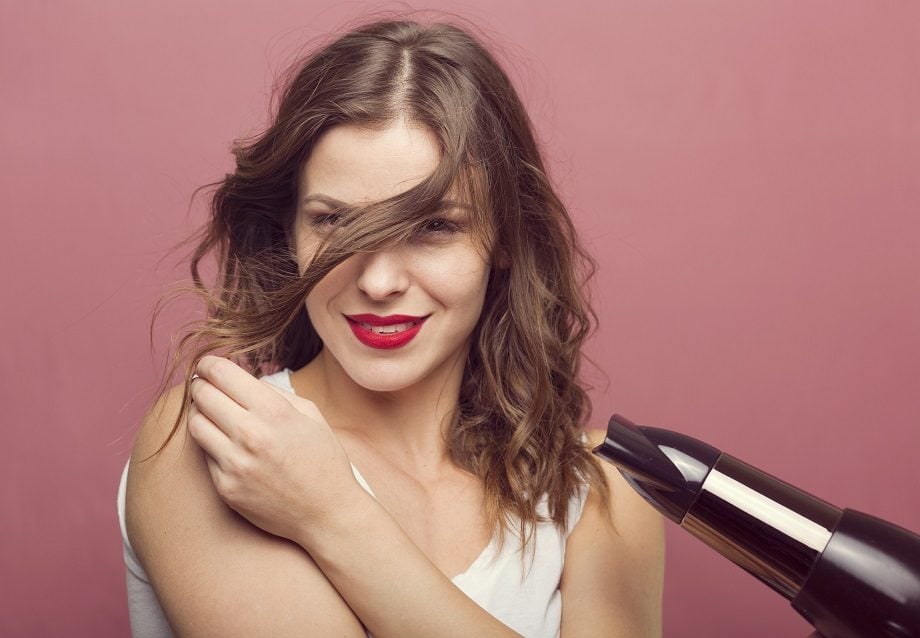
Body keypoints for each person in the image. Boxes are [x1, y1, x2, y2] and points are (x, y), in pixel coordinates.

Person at [118, 17, 664, 637]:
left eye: (435, 227)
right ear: (288, 234)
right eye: (334, 223)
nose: (379, 284)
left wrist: (333, 515)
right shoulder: (227, 440)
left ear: (506, 238)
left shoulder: (601, 488)